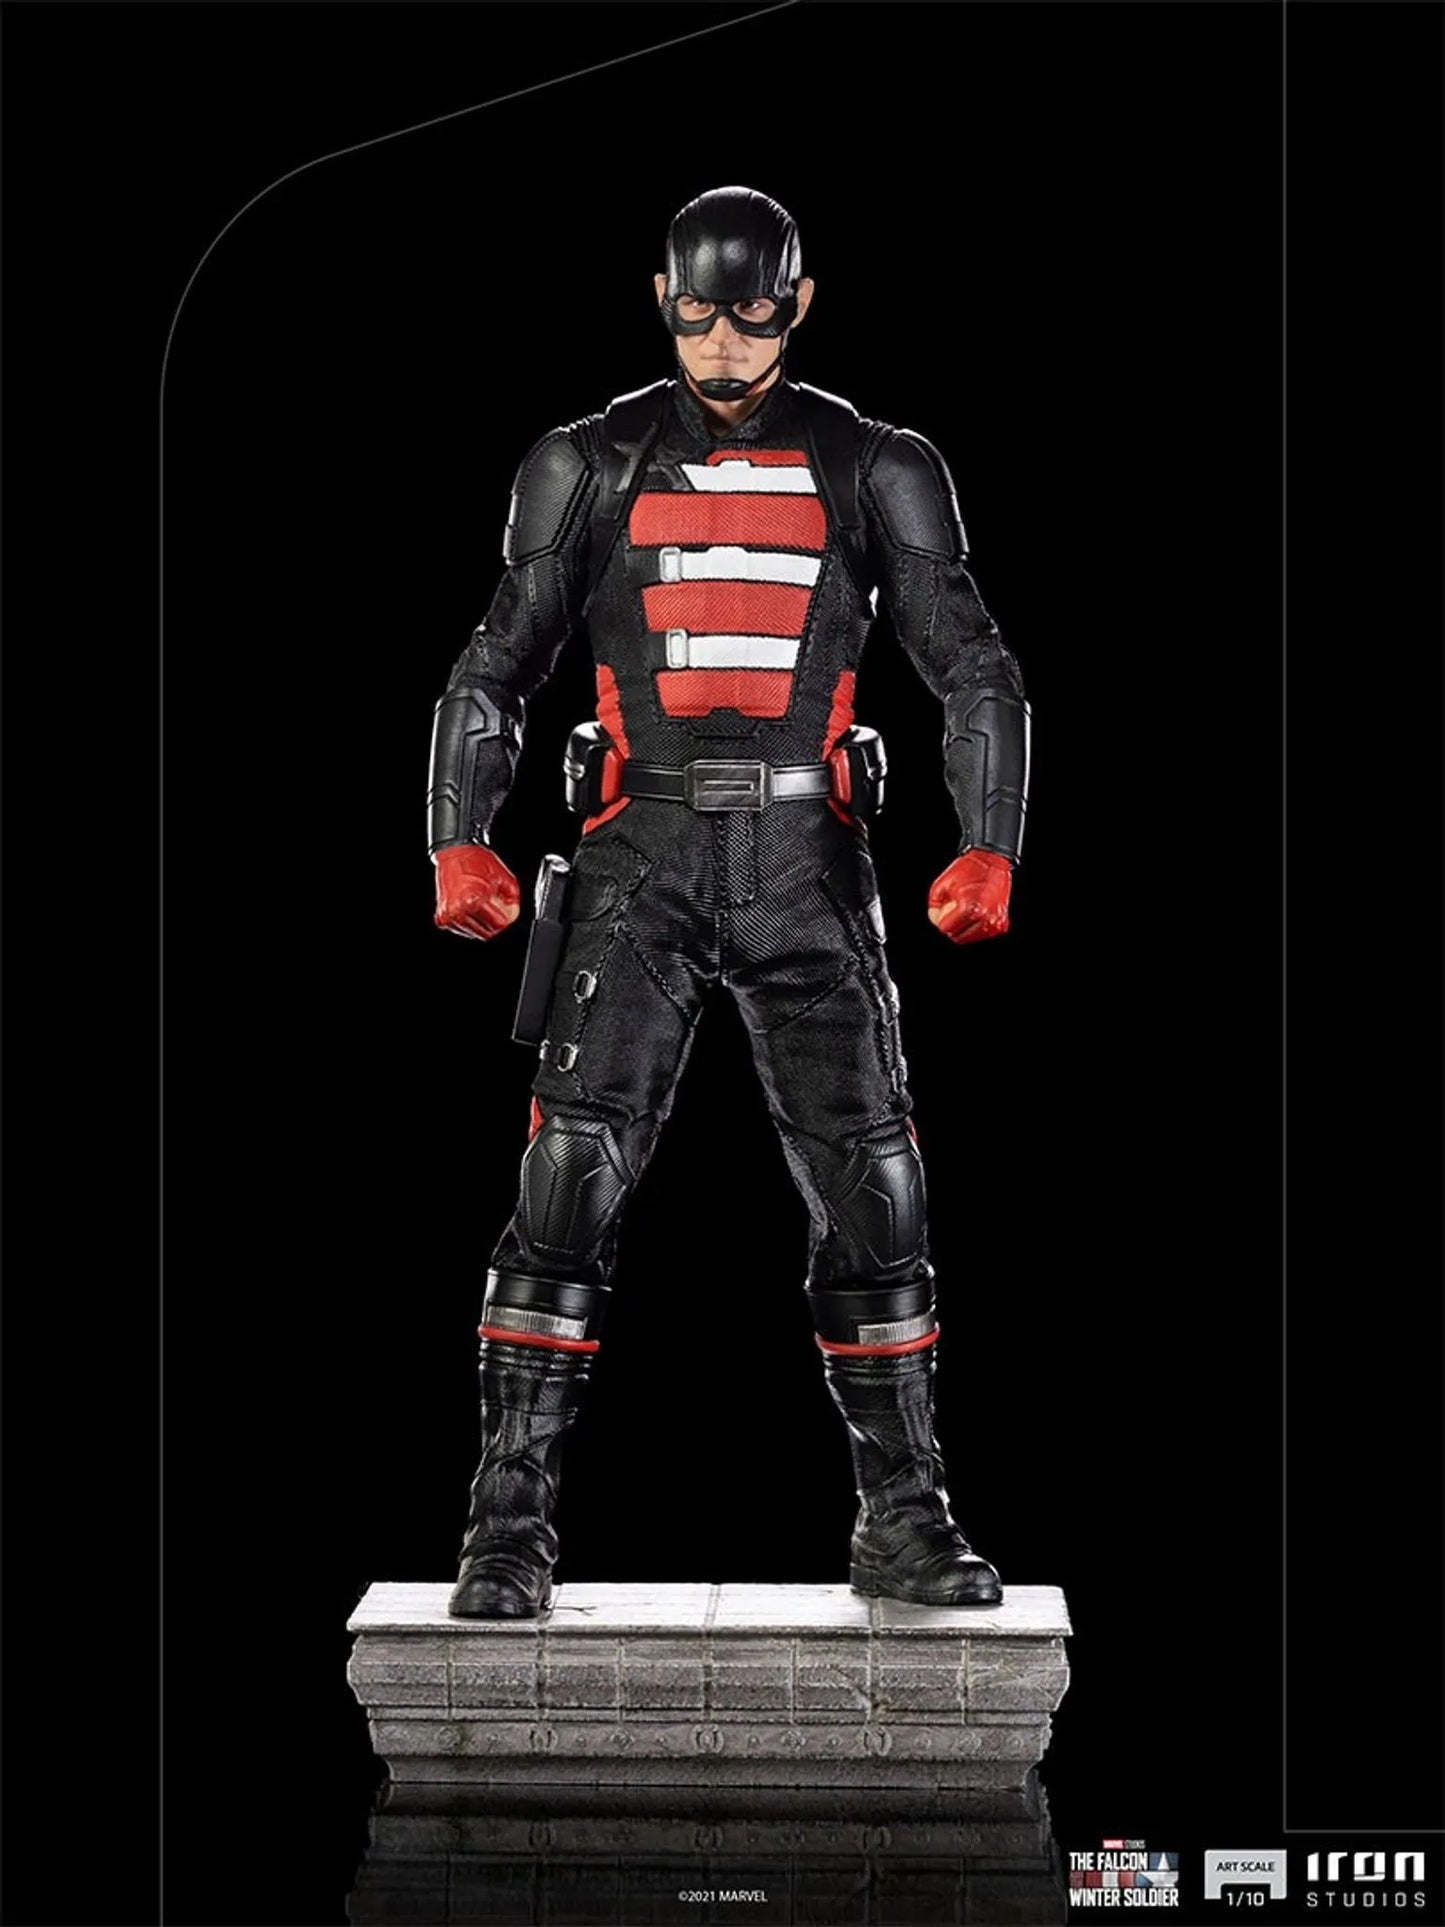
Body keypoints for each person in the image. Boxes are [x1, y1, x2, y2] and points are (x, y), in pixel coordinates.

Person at [427, 185, 1030, 1620]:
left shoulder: (874, 462)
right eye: (697, 313)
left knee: (876, 1188)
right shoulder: (587, 459)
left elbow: (973, 667)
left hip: (807, 866)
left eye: (750, 314)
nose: (721, 342)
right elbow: (495, 664)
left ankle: (905, 1518)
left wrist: (991, 842)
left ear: (797, 304)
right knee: (569, 1175)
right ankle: (505, 1531)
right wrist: (456, 836)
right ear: (661, 300)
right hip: (636, 861)